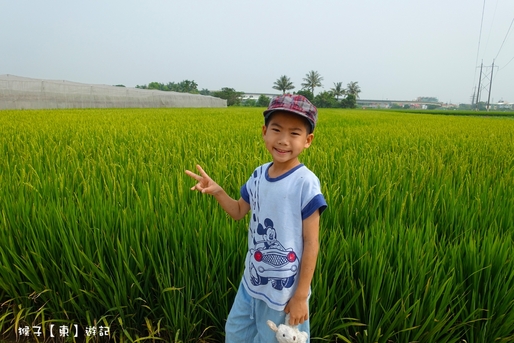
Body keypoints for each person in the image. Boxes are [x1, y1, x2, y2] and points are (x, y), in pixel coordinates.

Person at [185, 94, 327, 342]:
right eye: (276, 130)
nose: (283, 140)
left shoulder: (305, 182)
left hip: (283, 294)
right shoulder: (259, 174)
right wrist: (218, 190)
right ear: (264, 132)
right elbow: (239, 211)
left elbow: (312, 242)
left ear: (308, 141)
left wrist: (301, 296)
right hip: (250, 284)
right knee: (236, 334)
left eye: (294, 133)